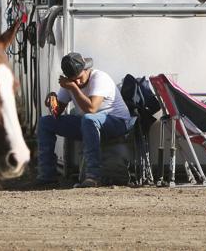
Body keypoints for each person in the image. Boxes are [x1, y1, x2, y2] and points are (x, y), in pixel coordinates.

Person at [36, 52, 133, 188]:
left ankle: (93, 176)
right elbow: (56, 113)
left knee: (88, 119)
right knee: (46, 122)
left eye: (79, 78)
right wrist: (52, 101)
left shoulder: (99, 78)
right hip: (89, 123)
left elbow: (91, 108)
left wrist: (73, 87)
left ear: (86, 70)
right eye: (73, 80)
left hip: (117, 122)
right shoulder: (70, 84)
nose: (78, 82)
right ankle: (47, 177)